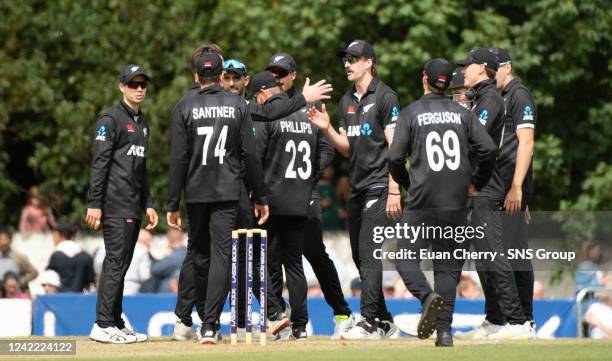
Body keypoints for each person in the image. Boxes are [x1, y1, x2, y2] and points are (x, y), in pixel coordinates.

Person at [387, 58, 497, 347]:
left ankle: (426, 297)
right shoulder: (463, 113)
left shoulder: (411, 113)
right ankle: (444, 333)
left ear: (425, 78)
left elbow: (394, 158)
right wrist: (477, 182)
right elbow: (488, 148)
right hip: (457, 201)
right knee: (447, 267)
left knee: (404, 257)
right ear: (449, 82)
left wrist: (406, 184)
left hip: (422, 200)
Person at [166, 52, 268, 345]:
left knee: (198, 255)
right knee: (222, 255)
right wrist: (259, 195)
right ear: (222, 75)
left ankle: (198, 318)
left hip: (196, 192)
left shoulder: (184, 106)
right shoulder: (238, 104)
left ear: (197, 76)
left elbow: (178, 159)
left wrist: (172, 203)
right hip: (227, 190)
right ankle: (210, 326)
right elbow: (250, 155)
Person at [308, 40, 401, 340]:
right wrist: (327, 130)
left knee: (369, 253)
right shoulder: (346, 100)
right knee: (360, 257)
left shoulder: (386, 97)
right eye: (345, 59)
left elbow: (395, 149)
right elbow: (348, 148)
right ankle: (385, 320)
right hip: (358, 188)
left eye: (353, 59)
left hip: (381, 186)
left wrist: (395, 189)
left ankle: (370, 321)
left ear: (369, 62)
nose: (346, 64)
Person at [265, 52, 355, 339]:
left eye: (282, 73)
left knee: (314, 253)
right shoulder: (268, 106)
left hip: (305, 193)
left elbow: (327, 149)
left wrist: (304, 178)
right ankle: (281, 318)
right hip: (278, 194)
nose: (277, 78)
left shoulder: (310, 106)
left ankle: (342, 312)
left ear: (293, 76)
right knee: (275, 257)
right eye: (273, 73)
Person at [455, 48, 533, 340]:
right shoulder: (484, 98)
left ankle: (518, 321)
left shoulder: (489, 99)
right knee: (486, 258)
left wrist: (518, 188)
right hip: (484, 188)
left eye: (468, 66)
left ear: (483, 68)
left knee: (497, 255)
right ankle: (497, 319)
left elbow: (480, 143)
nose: (464, 70)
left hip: (488, 187)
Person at [86, 64, 158, 344]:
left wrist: (148, 203)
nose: (138, 89)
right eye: (133, 84)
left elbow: (142, 169)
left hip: (133, 204)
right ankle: (102, 323)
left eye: (142, 84)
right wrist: (95, 202)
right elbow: (100, 163)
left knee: (123, 264)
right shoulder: (110, 119)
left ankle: (115, 320)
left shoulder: (143, 123)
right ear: (121, 86)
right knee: (115, 262)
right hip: (114, 203)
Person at [494, 47, 538, 335]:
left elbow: (527, 143)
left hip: (512, 190)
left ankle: (524, 320)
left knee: (514, 254)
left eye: (493, 69)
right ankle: (517, 319)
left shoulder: (519, 95)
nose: (489, 74)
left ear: (507, 67)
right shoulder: (501, 97)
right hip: (503, 189)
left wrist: (518, 188)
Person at [47, 223, 95, 292]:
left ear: (61, 236)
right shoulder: (85, 256)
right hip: (80, 299)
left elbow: (49, 280)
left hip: (59, 299)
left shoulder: (56, 256)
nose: (53, 239)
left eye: (54, 236)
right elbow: (90, 280)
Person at [0, 226, 38, 292]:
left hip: (17, 295)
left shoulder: (19, 257)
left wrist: (20, 282)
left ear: (10, 240)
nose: (3, 243)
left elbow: (33, 272)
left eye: (5, 239)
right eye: (1, 240)